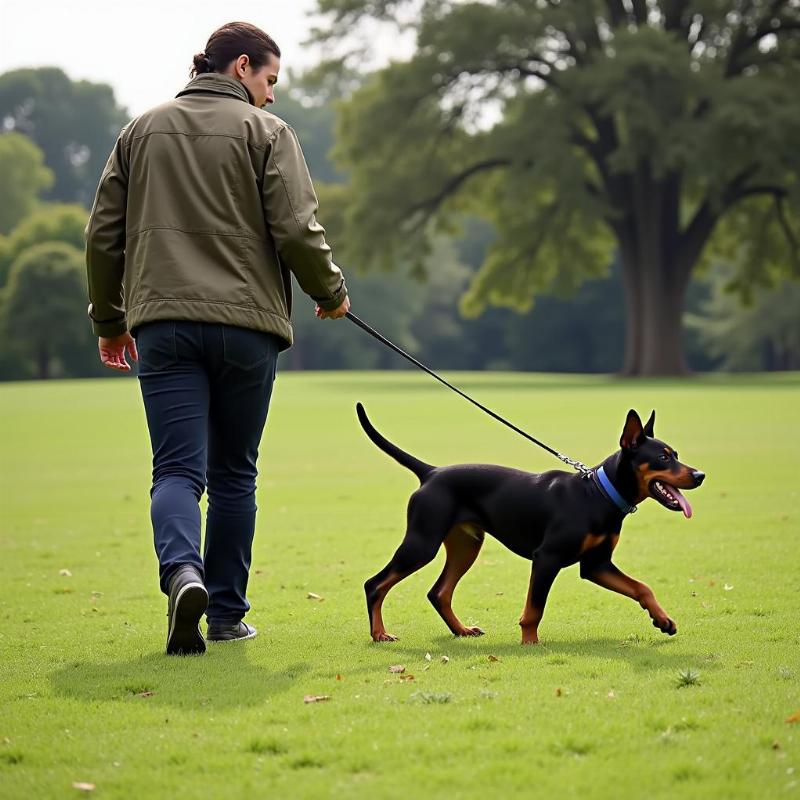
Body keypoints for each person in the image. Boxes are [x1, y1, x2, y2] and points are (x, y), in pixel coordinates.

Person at [85, 21, 350, 655]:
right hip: (247, 331)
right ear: (240, 69)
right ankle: (226, 616)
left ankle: (182, 574)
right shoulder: (269, 134)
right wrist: (330, 292)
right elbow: (297, 227)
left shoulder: (140, 131)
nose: (273, 94)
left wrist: (109, 320)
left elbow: (102, 235)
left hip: (165, 326)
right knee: (235, 474)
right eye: (269, 79)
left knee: (177, 469)